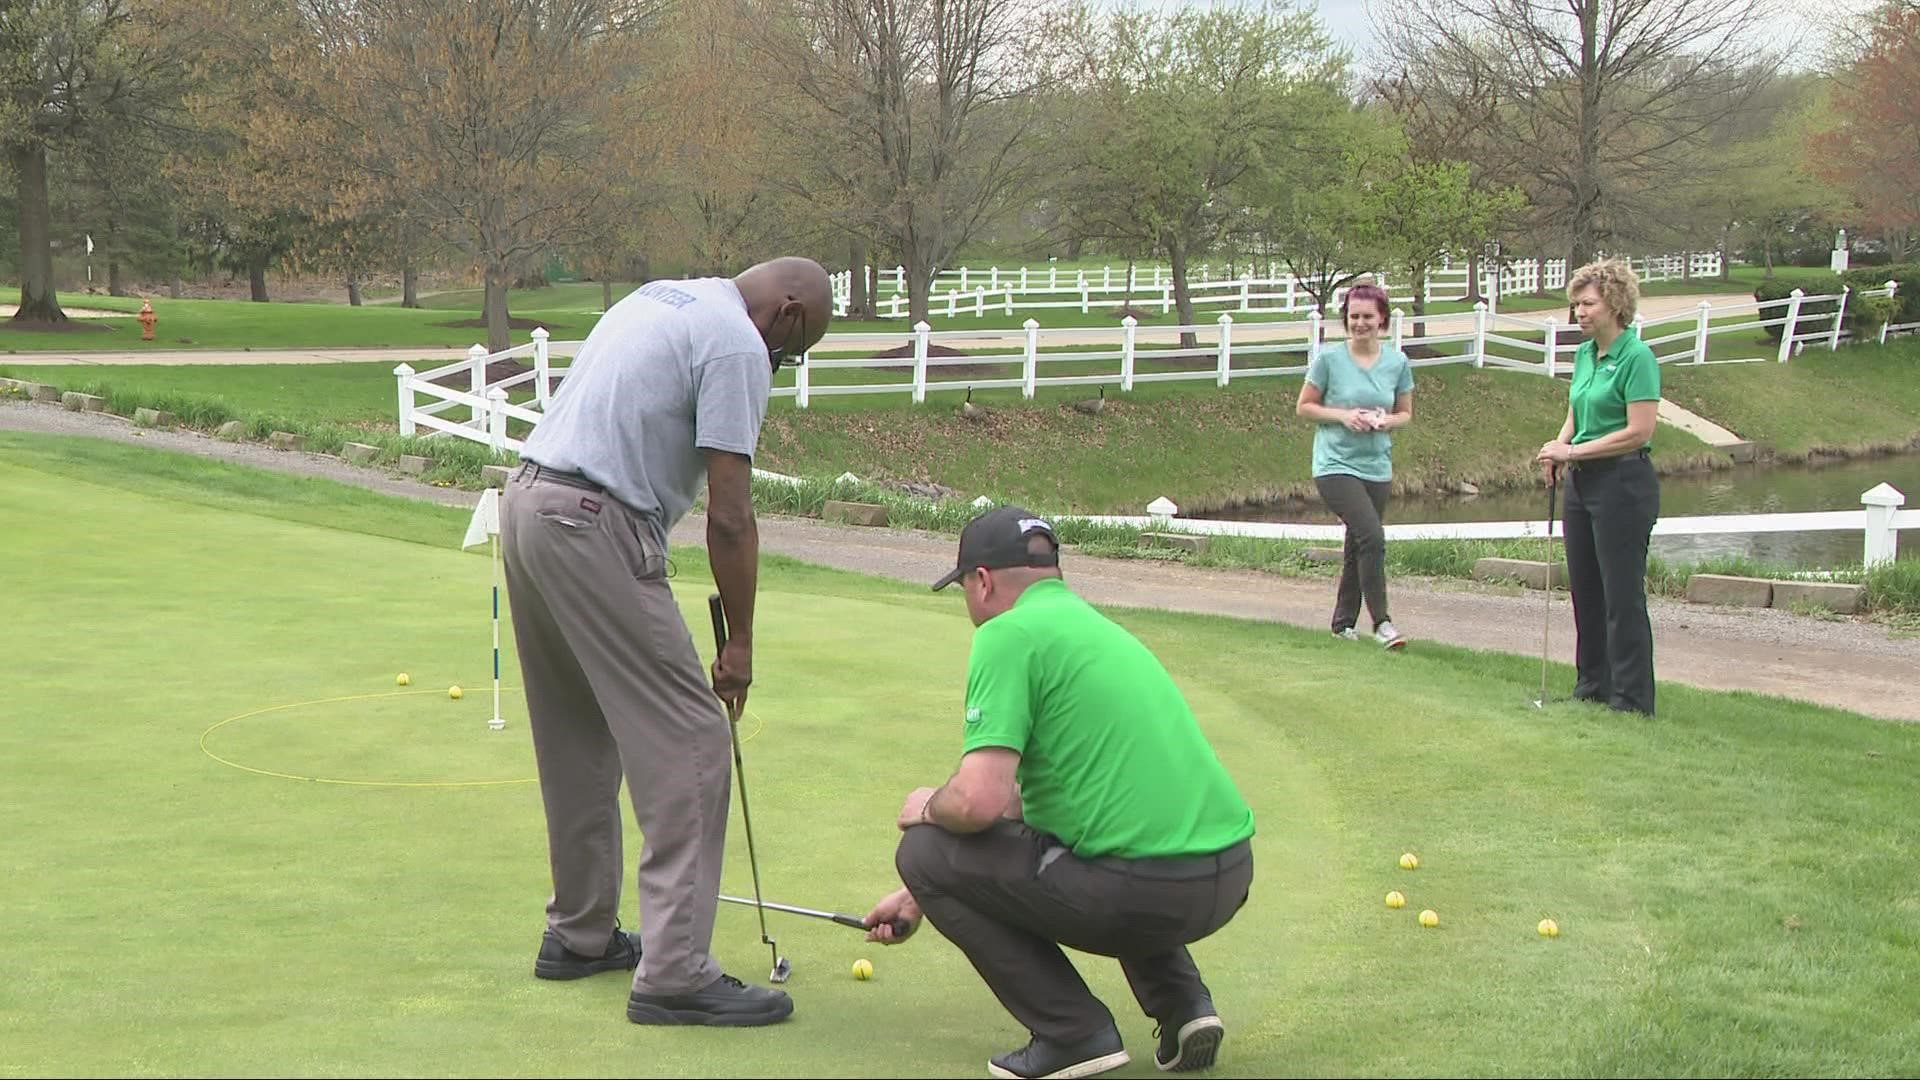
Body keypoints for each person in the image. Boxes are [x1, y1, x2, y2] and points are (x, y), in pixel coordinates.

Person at [499, 257, 833, 1027]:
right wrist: (741, 642)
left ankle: (579, 935)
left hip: (526, 504)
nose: (783, 364)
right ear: (785, 312)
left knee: (579, 734)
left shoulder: (663, 298)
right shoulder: (738, 344)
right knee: (691, 740)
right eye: (797, 349)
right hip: (593, 521)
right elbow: (730, 513)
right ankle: (676, 970)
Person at [862, 506, 1257, 1080]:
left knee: (922, 848)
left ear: (983, 580)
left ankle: (1074, 1034)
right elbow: (1031, 803)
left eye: (964, 588)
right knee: (1102, 844)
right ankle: (1184, 1006)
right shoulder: (1095, 627)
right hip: (1226, 878)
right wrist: (919, 894)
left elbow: (978, 803)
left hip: (1144, 891)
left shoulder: (1008, 633)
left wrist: (926, 813)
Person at [1534, 258, 1660, 716]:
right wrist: (1558, 446)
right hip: (1583, 483)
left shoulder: (1637, 357)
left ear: (1615, 303)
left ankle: (1632, 698)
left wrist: (1575, 454)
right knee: (1586, 589)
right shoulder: (1585, 354)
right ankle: (1593, 685)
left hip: (1624, 482)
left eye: (1587, 303)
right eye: (1576, 305)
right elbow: (1577, 410)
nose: (1579, 313)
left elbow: (1638, 431)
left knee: (1621, 595)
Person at [1293, 281, 1415, 649]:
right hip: (1335, 463)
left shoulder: (1397, 362)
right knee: (1372, 535)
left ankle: (1343, 623)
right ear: (1345, 319)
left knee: (1357, 544)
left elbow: (1405, 413)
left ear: (1382, 320)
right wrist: (1345, 416)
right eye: (1354, 316)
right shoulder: (1329, 359)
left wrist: (1386, 421)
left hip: (1376, 464)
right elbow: (1304, 407)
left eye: (1368, 317)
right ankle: (1383, 623)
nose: (1360, 323)